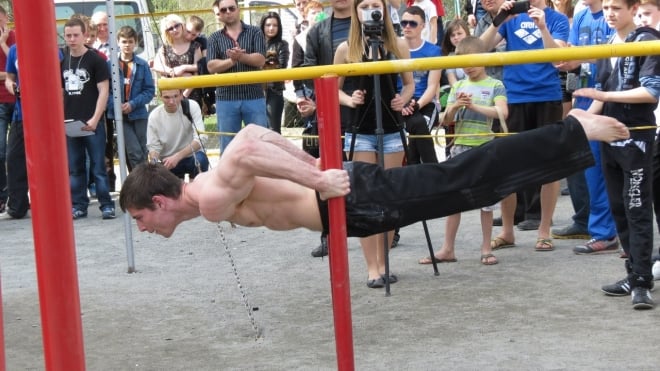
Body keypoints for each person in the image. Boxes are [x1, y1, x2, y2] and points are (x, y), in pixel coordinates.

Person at [119, 111, 629, 257]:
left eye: (141, 218)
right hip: (348, 203)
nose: (142, 229)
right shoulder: (208, 191)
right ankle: (570, 138)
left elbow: (249, 147)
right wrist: (311, 161)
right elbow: (252, 133)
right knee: (467, 183)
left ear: (159, 200)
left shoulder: (207, 198)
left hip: (353, 201)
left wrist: (318, 174)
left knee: (467, 178)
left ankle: (574, 130)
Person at [573, 0, 660, 310]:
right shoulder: (609, 43)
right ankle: (634, 273)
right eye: (606, 7)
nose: (609, 13)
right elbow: (600, 91)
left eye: (616, 7)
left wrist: (603, 97)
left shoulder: (647, 40)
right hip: (608, 137)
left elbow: (651, 92)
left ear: (632, 8)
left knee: (637, 208)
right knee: (618, 208)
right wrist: (579, 118)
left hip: (636, 137)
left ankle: (641, 282)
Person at [334, 0, 414, 288]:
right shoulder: (347, 49)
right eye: (364, 5)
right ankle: (372, 268)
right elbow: (331, 89)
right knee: (365, 198)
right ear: (356, 11)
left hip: (392, 130)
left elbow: (409, 84)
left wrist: (403, 98)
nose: (370, 9)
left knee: (389, 196)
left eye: (375, 4)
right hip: (361, 130)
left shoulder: (397, 45)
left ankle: (384, 261)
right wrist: (349, 99)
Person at [480, 0, 569, 252]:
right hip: (514, 97)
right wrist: (500, 18)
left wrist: (542, 28)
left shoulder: (557, 18)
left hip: (546, 96)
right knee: (507, 165)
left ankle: (544, 231)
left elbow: (558, 58)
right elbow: (482, 48)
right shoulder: (510, 17)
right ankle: (508, 231)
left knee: (549, 167)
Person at [418, 36, 507, 266]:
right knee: (454, 198)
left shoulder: (495, 85)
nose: (469, 67)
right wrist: (455, 106)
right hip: (459, 146)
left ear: (484, 59)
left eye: (473, 61)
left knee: (487, 201)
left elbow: (502, 113)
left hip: (485, 146)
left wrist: (474, 106)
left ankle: (486, 247)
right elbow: (444, 120)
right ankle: (448, 248)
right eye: (464, 62)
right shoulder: (457, 86)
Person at [553, 0, 618, 253]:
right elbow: (571, 51)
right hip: (584, 95)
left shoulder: (614, 14)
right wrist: (570, 60)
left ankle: (615, 232)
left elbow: (613, 51)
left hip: (610, 98)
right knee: (591, 171)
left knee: (614, 172)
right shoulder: (580, 16)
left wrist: (577, 56)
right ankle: (601, 230)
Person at [297, 0, 354, 258]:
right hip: (331, 109)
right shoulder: (317, 31)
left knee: (369, 170)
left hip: (368, 108)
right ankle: (329, 234)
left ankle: (387, 230)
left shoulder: (369, 22)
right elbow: (309, 68)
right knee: (328, 172)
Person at [61, 18, 116, 220]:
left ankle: (106, 204)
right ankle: (79, 205)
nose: (72, 39)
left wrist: (95, 119)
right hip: (70, 124)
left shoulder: (96, 60)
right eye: (68, 35)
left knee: (98, 167)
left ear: (85, 35)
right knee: (75, 168)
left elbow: (104, 91)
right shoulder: (62, 62)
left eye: (76, 35)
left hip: (92, 123)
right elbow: (60, 93)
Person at [207, 0, 267, 153]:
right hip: (226, 98)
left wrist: (240, 58)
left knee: (260, 144)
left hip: (253, 95)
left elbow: (260, 59)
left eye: (231, 8)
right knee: (228, 147)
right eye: (223, 10)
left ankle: (260, 176)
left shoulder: (255, 32)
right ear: (219, 14)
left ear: (238, 9)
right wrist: (233, 60)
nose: (228, 12)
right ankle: (229, 178)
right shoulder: (214, 38)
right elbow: (211, 66)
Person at [106, 26, 155, 169]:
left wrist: (132, 104)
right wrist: (116, 105)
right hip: (121, 116)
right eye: (124, 41)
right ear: (118, 42)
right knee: (134, 152)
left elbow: (149, 90)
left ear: (136, 43)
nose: (127, 45)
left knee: (143, 149)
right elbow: (106, 91)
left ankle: (145, 182)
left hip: (139, 113)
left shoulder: (142, 65)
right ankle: (140, 184)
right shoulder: (111, 65)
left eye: (130, 41)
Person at [399, 6, 442, 164]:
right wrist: (402, 103)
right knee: (414, 137)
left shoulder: (433, 51)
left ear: (423, 25)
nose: (407, 27)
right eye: (404, 23)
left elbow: (432, 86)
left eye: (412, 23)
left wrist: (416, 105)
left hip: (424, 104)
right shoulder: (394, 49)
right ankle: (435, 174)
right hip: (399, 104)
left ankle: (424, 175)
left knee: (417, 133)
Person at [147, 89, 209, 180]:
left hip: (192, 156)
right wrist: (154, 162)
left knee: (201, 160)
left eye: (175, 96)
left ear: (181, 95)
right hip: (168, 161)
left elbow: (201, 138)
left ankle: (196, 190)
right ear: (160, 97)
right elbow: (154, 147)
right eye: (166, 97)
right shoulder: (154, 116)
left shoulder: (192, 106)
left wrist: (177, 157)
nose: (171, 101)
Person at [152, 14, 203, 106]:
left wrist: (185, 93)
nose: (175, 30)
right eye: (170, 28)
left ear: (182, 25)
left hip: (192, 95)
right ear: (166, 32)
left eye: (177, 26)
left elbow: (198, 69)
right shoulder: (164, 48)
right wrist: (173, 72)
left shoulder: (195, 46)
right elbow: (157, 66)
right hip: (171, 97)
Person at [1, 44, 27, 220]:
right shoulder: (15, 50)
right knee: (13, 157)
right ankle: (17, 205)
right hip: (20, 114)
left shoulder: (50, 47)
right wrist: (12, 87)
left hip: (44, 117)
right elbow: (9, 77)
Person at [261, 12, 290, 134]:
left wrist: (261, 63)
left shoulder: (282, 44)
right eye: (268, 25)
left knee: (273, 130)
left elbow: (281, 66)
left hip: (274, 91)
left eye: (275, 25)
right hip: (256, 91)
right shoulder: (256, 43)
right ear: (262, 26)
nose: (271, 28)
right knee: (258, 129)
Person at [0, 5, 16, 214]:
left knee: (19, 153)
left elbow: (20, 65)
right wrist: (9, 74)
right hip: (1, 102)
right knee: (1, 151)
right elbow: (13, 71)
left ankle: (19, 194)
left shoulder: (13, 37)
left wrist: (3, 43)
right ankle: (3, 196)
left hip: (18, 100)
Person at [441, 19, 471, 86]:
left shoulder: (476, 51)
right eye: (452, 35)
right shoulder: (450, 56)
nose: (456, 37)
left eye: (459, 33)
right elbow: (452, 80)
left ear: (467, 33)